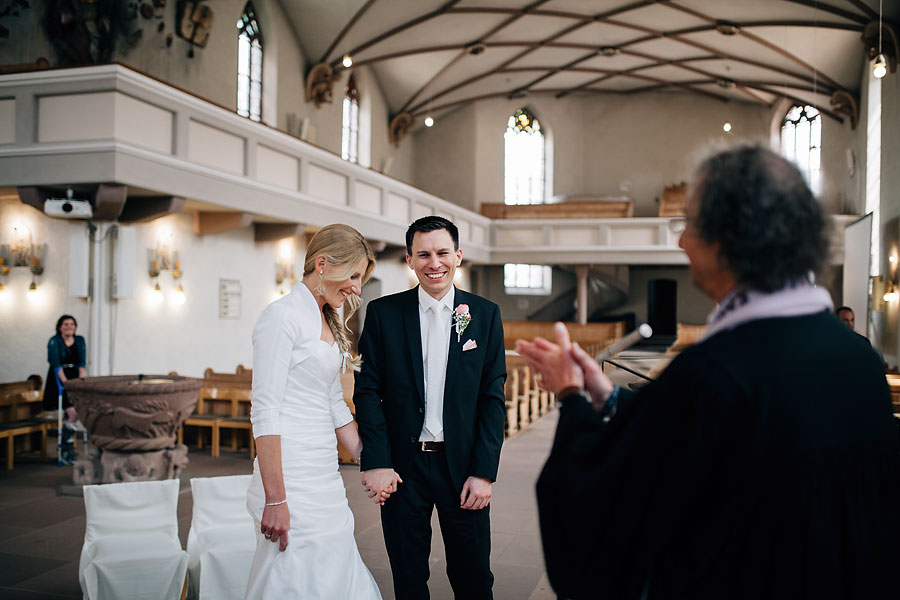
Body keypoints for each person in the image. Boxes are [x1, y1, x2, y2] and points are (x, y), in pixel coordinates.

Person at [517, 145, 900, 599]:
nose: (680, 242)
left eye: (691, 225)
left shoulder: (714, 372)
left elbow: (604, 518)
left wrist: (571, 399)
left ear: (728, 236)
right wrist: (608, 396)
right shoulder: (857, 356)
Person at [354, 216, 507, 599]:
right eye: (423, 254)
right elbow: (368, 391)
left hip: (463, 468)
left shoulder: (484, 315)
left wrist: (484, 472)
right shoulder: (384, 314)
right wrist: (376, 461)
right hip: (402, 469)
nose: (433, 263)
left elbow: (492, 398)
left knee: (474, 579)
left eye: (442, 252)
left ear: (458, 255)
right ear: (409, 259)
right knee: (408, 579)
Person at [245, 224, 383, 599]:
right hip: (289, 474)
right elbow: (265, 410)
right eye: (353, 275)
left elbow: (332, 401)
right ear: (322, 263)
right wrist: (276, 498)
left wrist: (368, 458)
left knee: (334, 563)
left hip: (322, 472)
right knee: (294, 575)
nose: (357, 287)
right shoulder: (281, 317)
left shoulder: (326, 319)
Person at [43, 314, 86, 465]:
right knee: (72, 412)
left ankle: (67, 447)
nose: (69, 327)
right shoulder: (55, 341)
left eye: (72, 324)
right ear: (60, 327)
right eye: (65, 324)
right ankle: (67, 446)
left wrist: (80, 381)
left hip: (74, 378)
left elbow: (82, 362)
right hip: (59, 379)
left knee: (74, 413)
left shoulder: (79, 340)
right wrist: (65, 382)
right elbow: (55, 364)